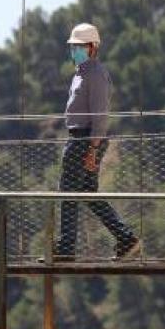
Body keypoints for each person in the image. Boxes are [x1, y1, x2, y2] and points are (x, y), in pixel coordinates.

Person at [54, 23, 141, 260]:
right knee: (86, 192)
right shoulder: (80, 73)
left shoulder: (96, 74)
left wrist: (92, 149)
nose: (74, 51)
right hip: (81, 138)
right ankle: (126, 238)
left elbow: (100, 116)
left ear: (92, 48)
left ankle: (65, 249)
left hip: (86, 139)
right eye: (72, 47)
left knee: (67, 193)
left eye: (78, 47)